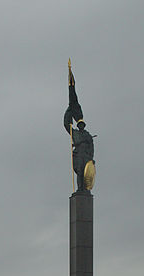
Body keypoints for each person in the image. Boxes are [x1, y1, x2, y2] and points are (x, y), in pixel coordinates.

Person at [64, 63, 95, 191]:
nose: (81, 126)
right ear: (78, 124)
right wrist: (69, 111)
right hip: (78, 154)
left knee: (84, 174)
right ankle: (79, 189)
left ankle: (84, 190)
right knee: (79, 173)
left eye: (82, 124)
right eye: (80, 124)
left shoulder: (87, 135)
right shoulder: (75, 133)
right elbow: (66, 124)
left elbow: (92, 147)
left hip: (86, 155)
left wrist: (91, 159)